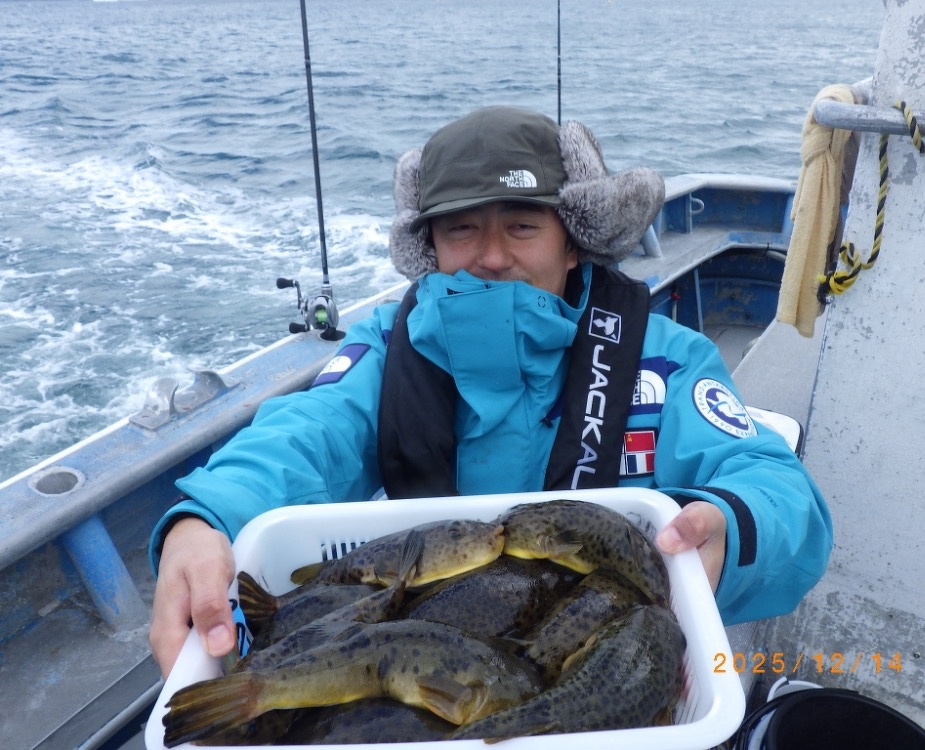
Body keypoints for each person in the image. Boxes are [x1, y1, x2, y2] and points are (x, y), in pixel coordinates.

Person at [149, 105, 833, 677]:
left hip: (602, 655)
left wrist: (729, 525)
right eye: (462, 228)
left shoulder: (669, 360)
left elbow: (773, 484)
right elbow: (305, 433)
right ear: (431, 245)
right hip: (433, 658)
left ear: (574, 241)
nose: (493, 256)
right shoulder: (387, 350)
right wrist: (204, 520)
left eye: (523, 226)